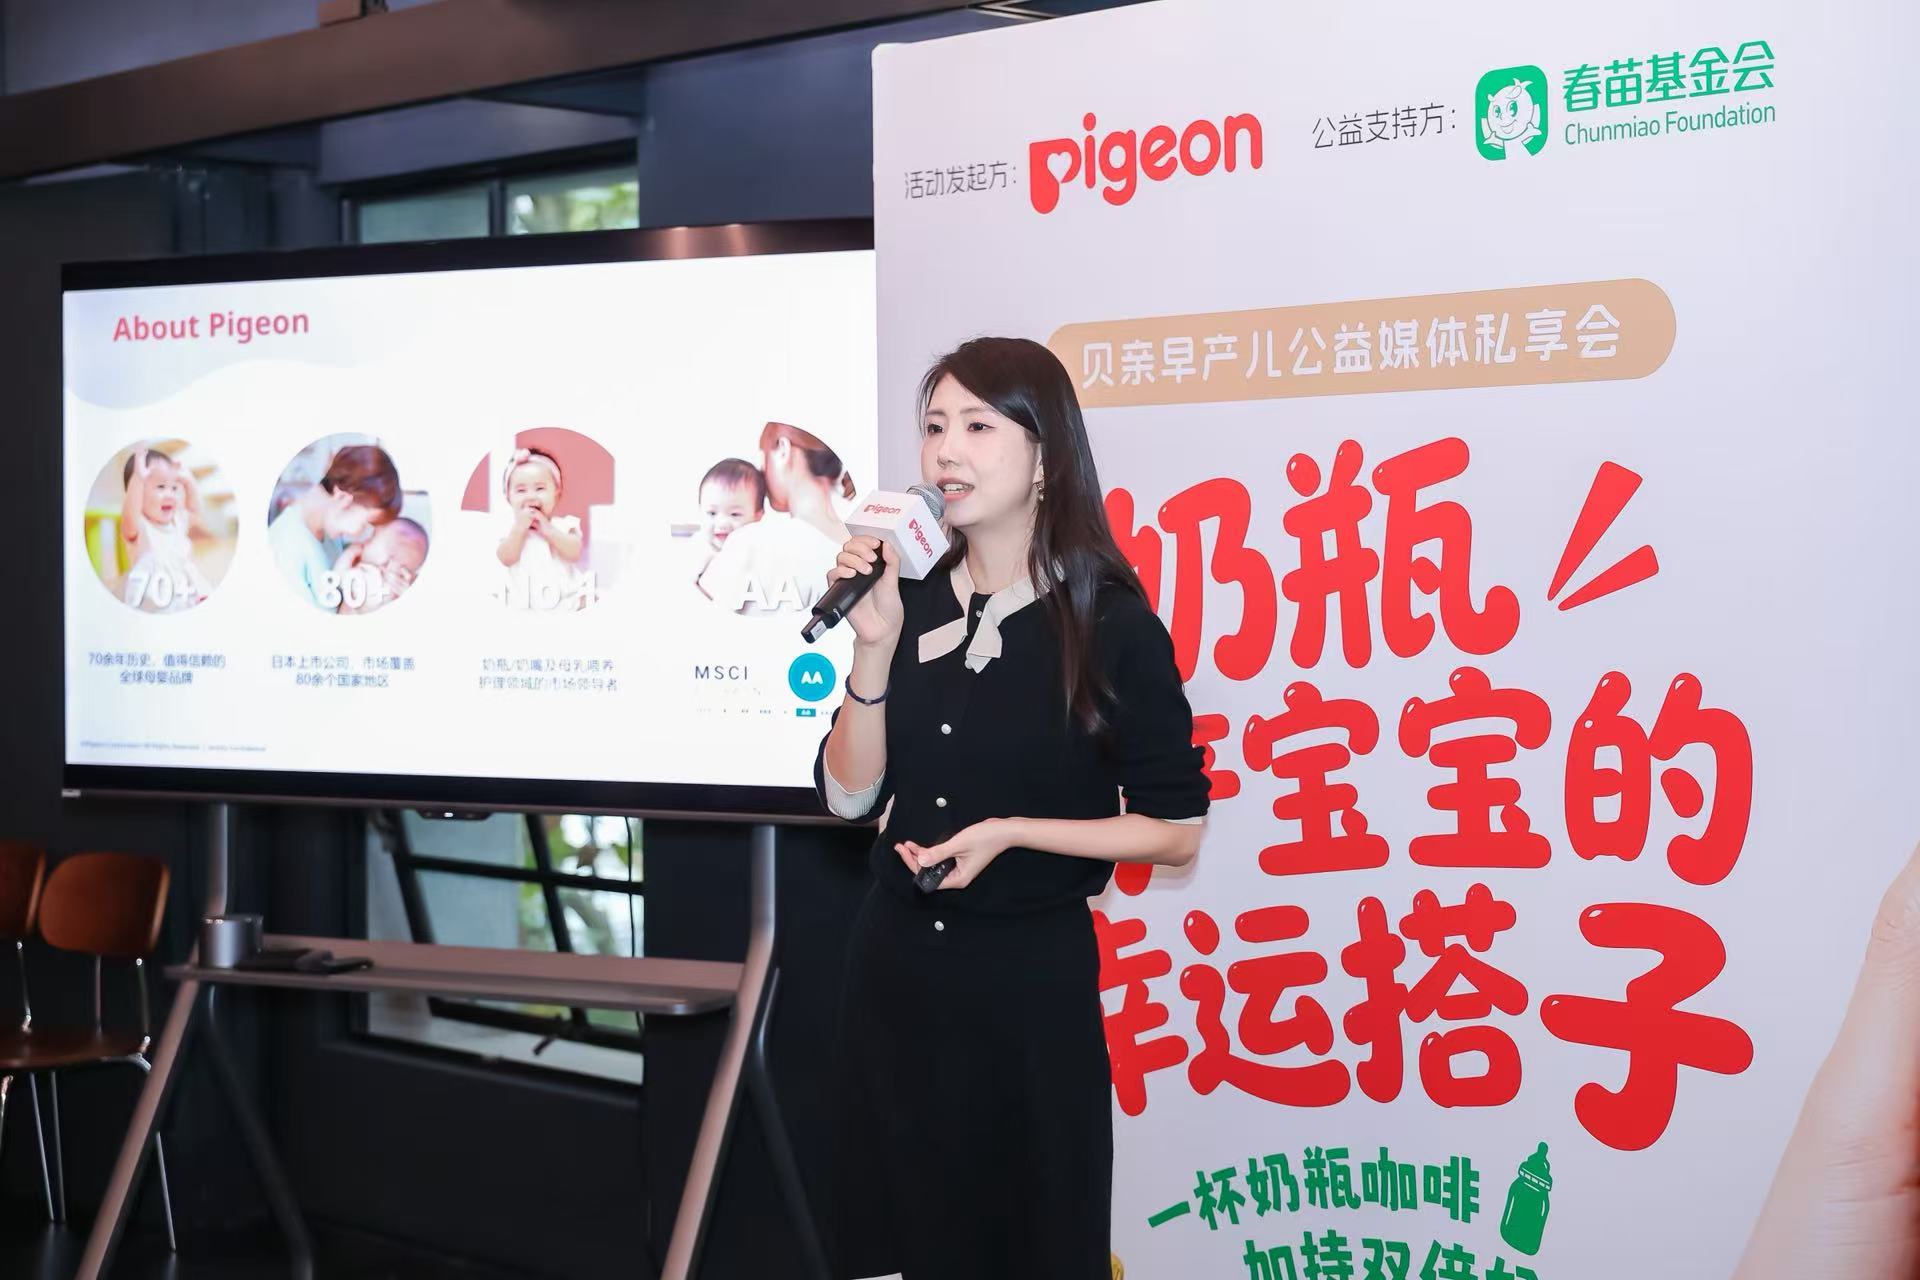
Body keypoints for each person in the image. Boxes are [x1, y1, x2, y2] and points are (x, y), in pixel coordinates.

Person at [812, 337, 1209, 1279]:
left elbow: (1175, 830)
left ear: (1045, 457)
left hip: (1026, 999)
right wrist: (872, 648)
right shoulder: (905, 599)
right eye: (934, 427)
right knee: (888, 1246)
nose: (946, 451)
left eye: (979, 426)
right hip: (893, 980)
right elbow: (850, 796)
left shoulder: (1111, 623)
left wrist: (1012, 834)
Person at [698, 421, 853, 615]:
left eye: (763, 460)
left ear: (783, 449)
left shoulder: (747, 541)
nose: (761, 475)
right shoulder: (856, 549)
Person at [267, 444, 401, 610]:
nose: (360, 533)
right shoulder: (285, 546)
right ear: (343, 498)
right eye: (365, 524)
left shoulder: (327, 531)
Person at [118, 446, 211, 612]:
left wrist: (189, 481)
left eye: (174, 488)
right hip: (155, 600)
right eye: (161, 487)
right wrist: (138, 479)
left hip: (186, 593)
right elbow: (130, 513)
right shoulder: (140, 527)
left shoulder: (177, 520)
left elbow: (196, 513)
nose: (170, 494)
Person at [496, 447, 588, 611]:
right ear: (508, 497)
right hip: (523, 601)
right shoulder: (510, 530)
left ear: (557, 493)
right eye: (521, 490)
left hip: (563, 599)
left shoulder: (564, 525)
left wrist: (548, 529)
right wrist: (519, 530)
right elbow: (506, 558)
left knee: (587, 600)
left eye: (540, 488)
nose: (531, 496)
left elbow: (574, 553)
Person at [689, 457, 766, 588]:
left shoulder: (756, 554)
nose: (722, 523)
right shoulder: (697, 550)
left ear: (758, 517)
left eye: (735, 514)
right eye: (712, 513)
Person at [333, 517, 429, 615]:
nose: (365, 541)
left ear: (386, 563)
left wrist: (341, 570)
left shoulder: (375, 591)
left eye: (372, 538)